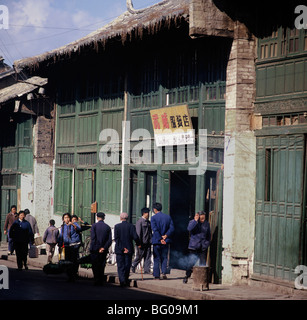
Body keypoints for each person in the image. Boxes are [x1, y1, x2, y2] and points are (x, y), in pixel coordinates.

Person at [183, 211, 211, 284]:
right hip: (194, 246)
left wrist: (206, 244)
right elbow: (189, 229)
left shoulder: (206, 224)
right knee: (191, 263)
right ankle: (187, 276)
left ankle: (202, 280)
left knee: (202, 264)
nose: (203, 219)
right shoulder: (193, 222)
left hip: (203, 246)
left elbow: (208, 235)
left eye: (204, 217)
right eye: (201, 217)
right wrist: (195, 221)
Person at [114, 212, 141, 287]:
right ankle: (125, 279)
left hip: (119, 249)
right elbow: (135, 237)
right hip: (129, 248)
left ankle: (122, 280)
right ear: (128, 218)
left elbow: (117, 239)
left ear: (120, 218)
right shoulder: (131, 226)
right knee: (127, 265)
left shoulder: (117, 226)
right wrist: (139, 244)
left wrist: (122, 248)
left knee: (120, 265)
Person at [151, 202, 174, 280]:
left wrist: (160, 239)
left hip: (157, 241)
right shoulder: (168, 217)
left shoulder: (153, 218)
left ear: (154, 209)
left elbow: (155, 229)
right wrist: (165, 236)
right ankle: (164, 272)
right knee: (164, 258)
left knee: (156, 258)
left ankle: (156, 274)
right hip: (166, 241)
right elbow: (172, 228)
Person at [57, 213, 81, 281]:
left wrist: (72, 224)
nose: (66, 219)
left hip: (74, 244)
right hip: (67, 245)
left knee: (73, 260)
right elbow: (61, 236)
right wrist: (59, 243)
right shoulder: (63, 227)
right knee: (67, 260)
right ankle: (70, 274)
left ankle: (74, 274)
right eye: (65, 218)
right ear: (63, 219)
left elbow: (79, 229)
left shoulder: (74, 224)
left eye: (68, 217)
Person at [90, 212, 112, 286]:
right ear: (104, 218)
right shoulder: (107, 227)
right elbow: (109, 240)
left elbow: (93, 238)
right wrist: (103, 248)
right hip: (104, 249)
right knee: (102, 264)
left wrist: (96, 248)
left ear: (97, 217)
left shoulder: (94, 226)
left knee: (95, 265)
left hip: (95, 249)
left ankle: (96, 279)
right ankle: (101, 279)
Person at [131, 207, 152, 274]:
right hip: (142, 242)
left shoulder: (148, 222)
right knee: (139, 256)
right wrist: (138, 243)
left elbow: (150, 232)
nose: (148, 214)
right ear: (144, 213)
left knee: (147, 257)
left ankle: (146, 270)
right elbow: (138, 233)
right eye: (147, 213)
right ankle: (133, 265)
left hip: (148, 242)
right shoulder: (140, 222)